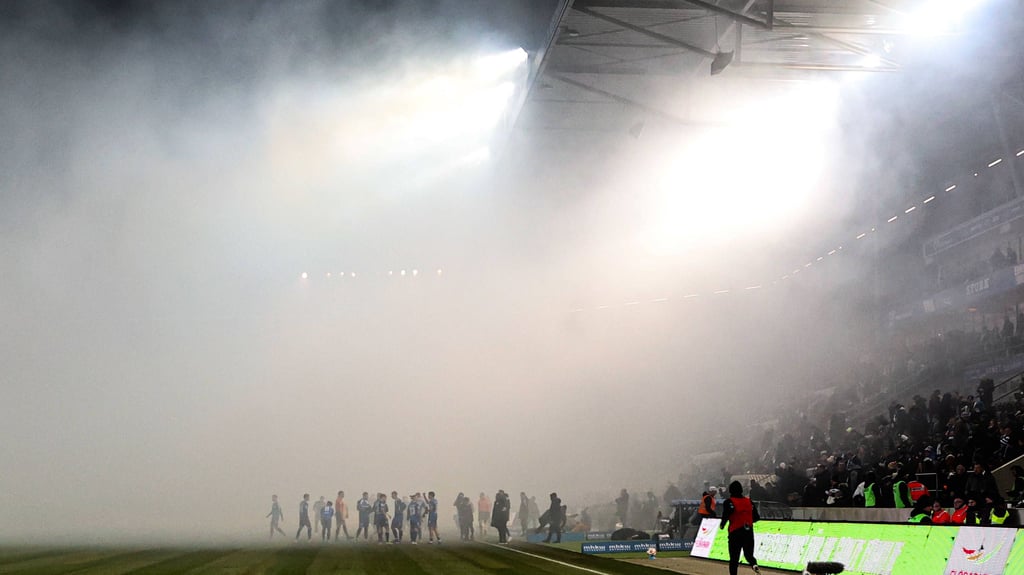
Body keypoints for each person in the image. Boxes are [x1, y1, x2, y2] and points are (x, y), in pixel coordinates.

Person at [719, 481, 761, 575]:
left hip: (735, 532)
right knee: (749, 555)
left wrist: (722, 525)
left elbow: (726, 515)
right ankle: (754, 564)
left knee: (734, 558)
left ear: (730, 491)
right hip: (748, 532)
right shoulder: (749, 501)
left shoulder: (729, 502)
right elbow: (756, 517)